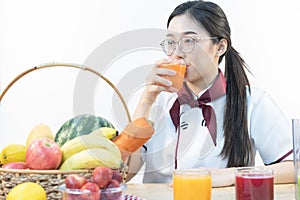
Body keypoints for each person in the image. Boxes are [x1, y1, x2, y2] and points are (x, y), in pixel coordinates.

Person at [123, 0, 294, 187]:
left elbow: (294, 167)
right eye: (171, 42)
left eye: (188, 41)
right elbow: (124, 173)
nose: (177, 53)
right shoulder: (159, 102)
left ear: (220, 47)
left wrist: (231, 176)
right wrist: (146, 100)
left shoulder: (252, 102)